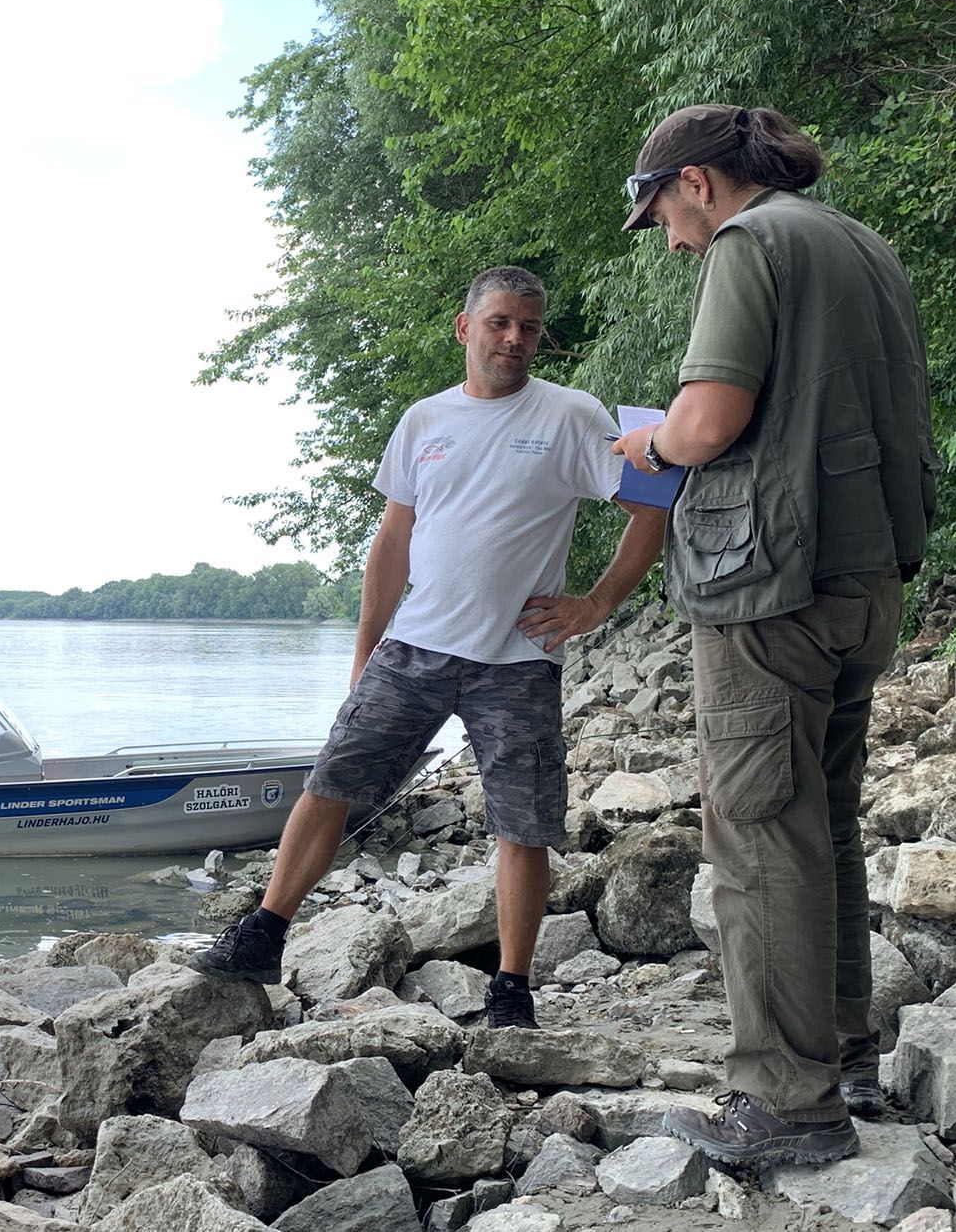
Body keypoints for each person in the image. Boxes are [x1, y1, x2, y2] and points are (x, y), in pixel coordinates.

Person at [194, 265, 669, 1028]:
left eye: (528, 328)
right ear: (466, 327)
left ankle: (512, 992)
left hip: (517, 660)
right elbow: (393, 538)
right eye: (500, 323)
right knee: (330, 782)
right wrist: (365, 651)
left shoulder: (570, 414)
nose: (514, 339)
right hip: (414, 648)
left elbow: (652, 502)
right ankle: (264, 931)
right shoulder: (424, 421)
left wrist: (597, 603)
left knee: (523, 824)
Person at [612, 104, 937, 1167]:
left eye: (660, 210)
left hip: (771, 588)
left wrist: (646, 436)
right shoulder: (860, 243)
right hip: (866, 574)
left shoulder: (751, 243)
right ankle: (841, 1056)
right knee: (822, 821)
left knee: (757, 833)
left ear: (696, 181)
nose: (667, 237)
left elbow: (707, 422)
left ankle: (786, 1107)